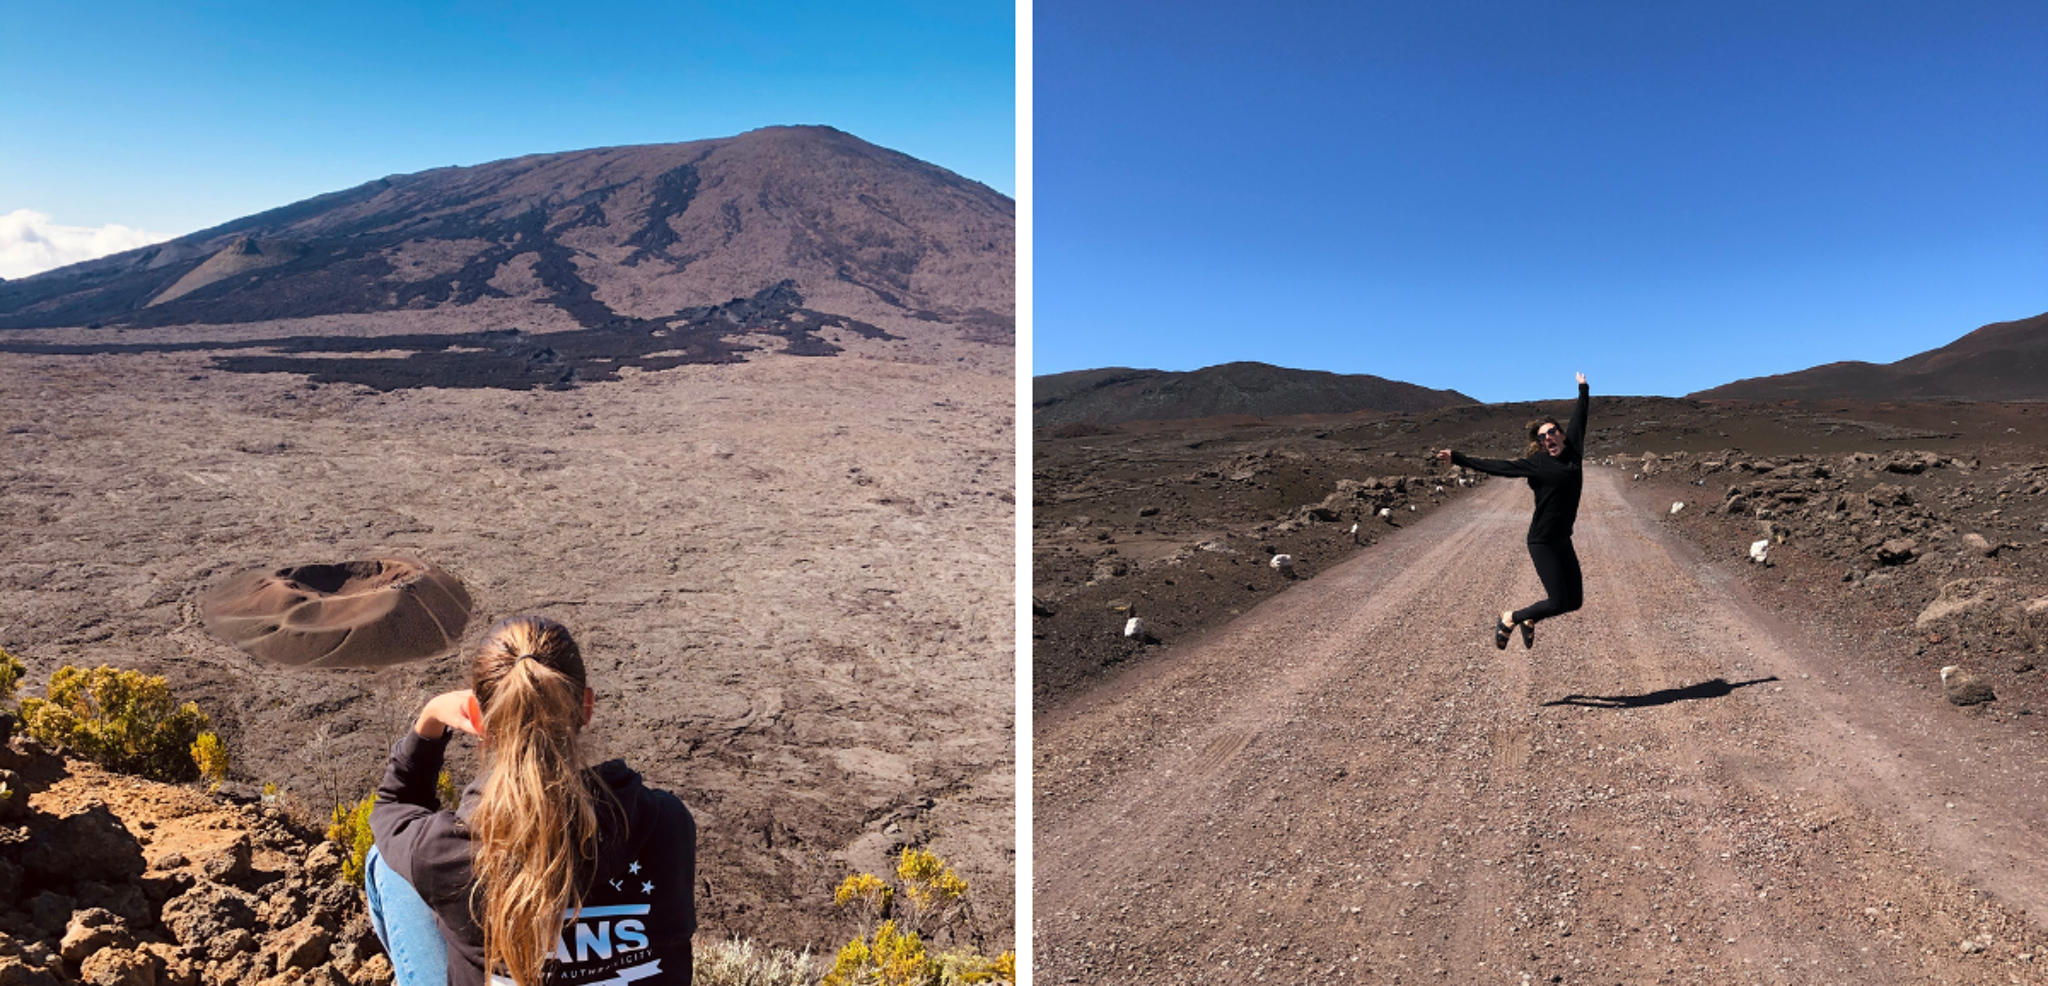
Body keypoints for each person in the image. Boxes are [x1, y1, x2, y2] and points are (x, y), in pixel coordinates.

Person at [365, 615, 696, 986]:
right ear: (586, 707)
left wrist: (430, 719)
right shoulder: (666, 822)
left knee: (386, 862)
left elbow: (392, 807)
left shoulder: (447, 853)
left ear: (478, 720)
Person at [1435, 373, 1590, 650]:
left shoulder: (1574, 451)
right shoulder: (1538, 464)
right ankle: (1512, 617)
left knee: (1574, 601)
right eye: (1543, 436)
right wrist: (1458, 457)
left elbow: (1581, 416)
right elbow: (1499, 466)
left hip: (1563, 540)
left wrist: (1583, 389)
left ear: (1563, 435)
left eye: (1552, 432)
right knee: (1557, 601)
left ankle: (1530, 620)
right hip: (1542, 541)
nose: (1548, 438)